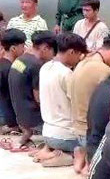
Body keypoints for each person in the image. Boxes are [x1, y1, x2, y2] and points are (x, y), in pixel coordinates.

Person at [69, 31, 110, 173]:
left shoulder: (84, 61)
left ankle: (82, 157)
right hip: (87, 132)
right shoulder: (103, 71)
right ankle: (86, 162)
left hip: (76, 127)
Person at [35, 33, 87, 167]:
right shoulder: (66, 74)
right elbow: (77, 104)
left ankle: (49, 150)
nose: (79, 59)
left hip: (47, 133)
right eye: (79, 54)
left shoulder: (45, 68)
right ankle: (66, 156)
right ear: (72, 52)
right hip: (66, 136)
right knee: (92, 145)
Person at [9, 31, 57, 147]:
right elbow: (38, 98)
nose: (53, 56)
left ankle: (26, 133)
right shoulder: (37, 65)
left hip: (20, 115)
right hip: (33, 118)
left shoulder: (20, 59)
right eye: (53, 51)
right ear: (45, 48)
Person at [0, 29, 27, 136]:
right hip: (11, 117)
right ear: (13, 49)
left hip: (8, 114)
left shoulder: (4, 63)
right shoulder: (9, 68)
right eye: (23, 46)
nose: (25, 49)